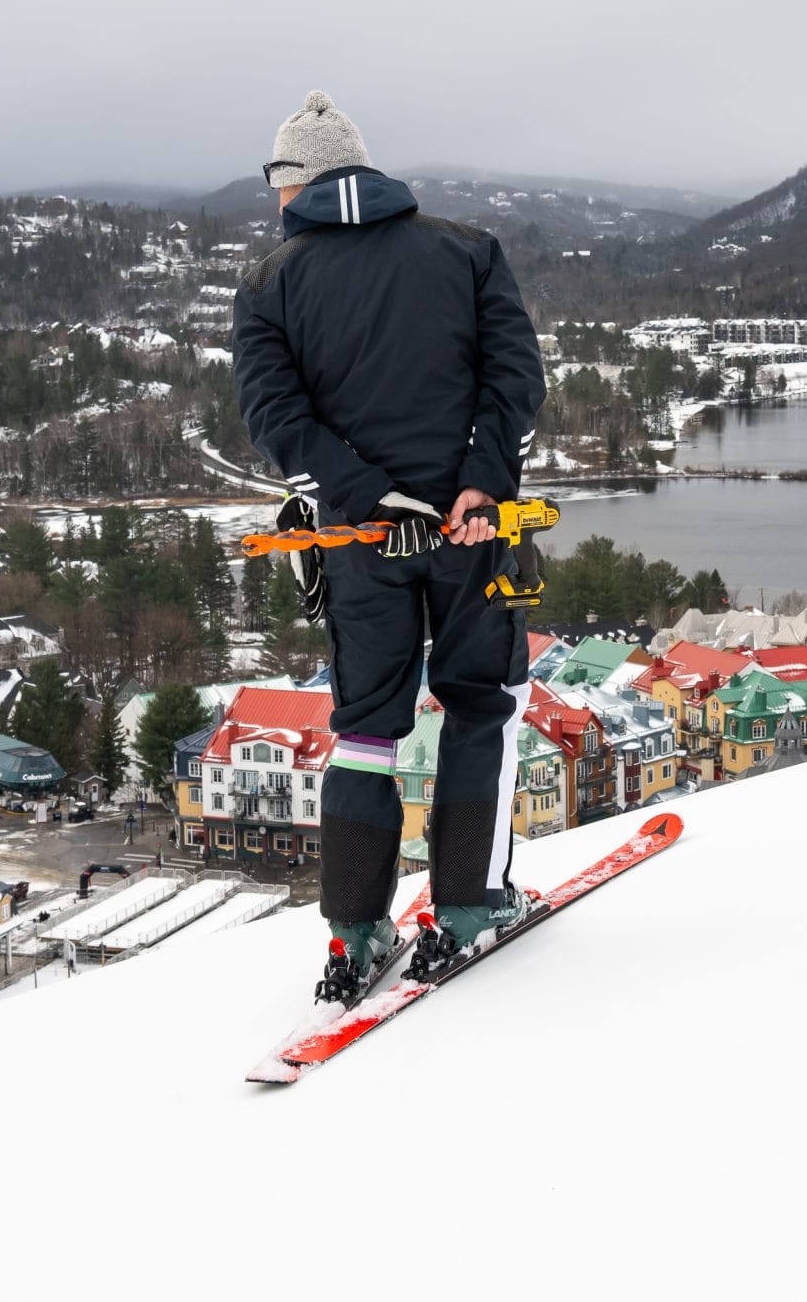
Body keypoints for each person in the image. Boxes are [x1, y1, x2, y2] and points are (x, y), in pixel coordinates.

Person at [234, 91, 546, 990]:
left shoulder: (268, 284)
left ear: (293, 184)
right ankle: (468, 904)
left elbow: (278, 419)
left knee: (364, 728)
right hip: (469, 527)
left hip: (360, 536)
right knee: (482, 702)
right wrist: (482, 481)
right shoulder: (467, 251)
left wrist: (369, 495)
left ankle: (357, 932)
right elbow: (514, 378)